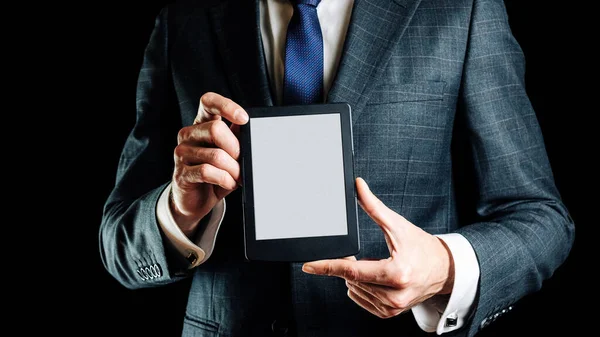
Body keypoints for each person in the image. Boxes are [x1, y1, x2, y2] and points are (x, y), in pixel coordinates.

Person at [99, 0, 575, 336]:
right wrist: (177, 211)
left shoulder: (458, 8)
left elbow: (541, 217)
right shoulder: (185, 18)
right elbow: (118, 245)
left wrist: (445, 269)